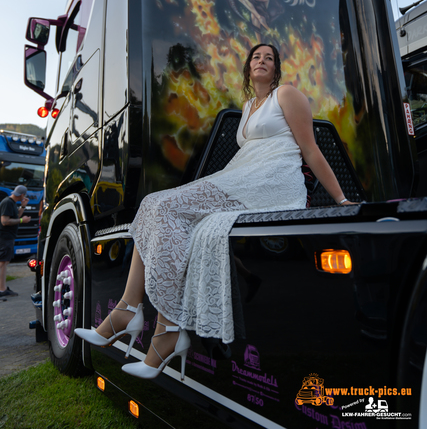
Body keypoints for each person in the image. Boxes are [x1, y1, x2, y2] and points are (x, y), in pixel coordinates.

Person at [76, 44, 354, 379]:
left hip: (273, 182)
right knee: (153, 206)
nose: (262, 61)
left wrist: (340, 200)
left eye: (269, 58)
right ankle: (137, 316)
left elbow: (310, 149)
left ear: (276, 69)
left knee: (164, 205)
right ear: (249, 69)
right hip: (243, 176)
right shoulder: (250, 106)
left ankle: (151, 326)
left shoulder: (288, 94)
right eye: (256, 57)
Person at [0, 185, 30, 297]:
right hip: (4, 236)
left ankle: (2, 288)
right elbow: (5, 221)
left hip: (8, 236)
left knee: (5, 262)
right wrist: (22, 220)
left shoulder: (11, 203)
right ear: (22, 195)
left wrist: (22, 207)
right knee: (2, 262)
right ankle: (2, 290)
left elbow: (15, 216)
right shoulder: (7, 202)